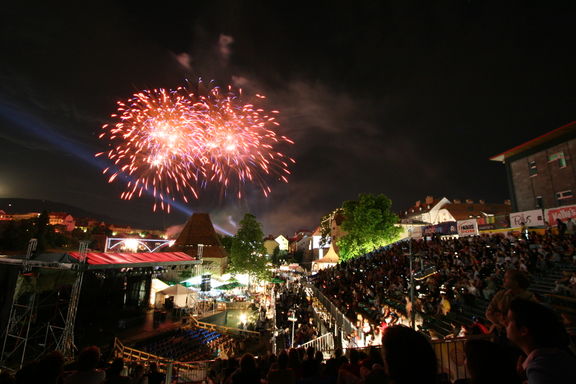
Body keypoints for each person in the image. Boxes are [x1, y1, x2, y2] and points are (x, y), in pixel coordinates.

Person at [506, 298, 576, 383]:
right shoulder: (555, 355)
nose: (506, 324)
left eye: (509, 321)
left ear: (523, 331)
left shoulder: (539, 369)